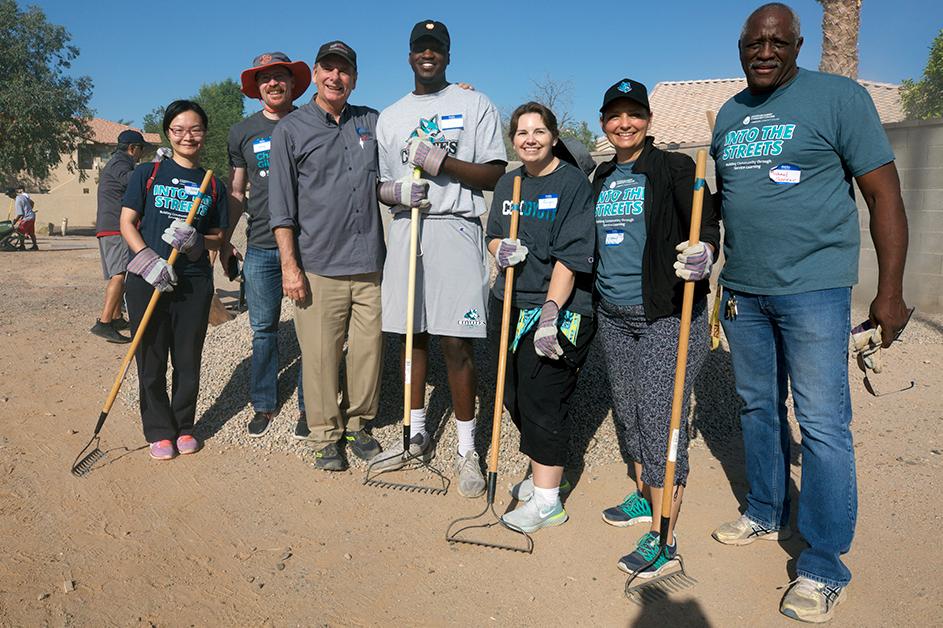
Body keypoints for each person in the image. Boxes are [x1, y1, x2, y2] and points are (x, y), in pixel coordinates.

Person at [710, 4, 909, 622]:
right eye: (753, 43)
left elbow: (884, 194)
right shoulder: (728, 114)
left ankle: (824, 564)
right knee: (758, 407)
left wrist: (890, 291)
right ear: (740, 47)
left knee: (822, 424)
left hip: (816, 290)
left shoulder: (838, 99)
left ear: (797, 44)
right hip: (743, 290)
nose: (764, 52)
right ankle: (766, 510)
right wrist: (699, 249)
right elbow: (731, 202)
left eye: (777, 42)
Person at [588, 79, 719, 576]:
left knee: (661, 413)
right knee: (628, 408)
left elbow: (706, 225)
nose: (625, 124)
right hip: (613, 314)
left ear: (648, 120)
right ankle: (646, 495)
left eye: (634, 115)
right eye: (615, 115)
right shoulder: (601, 177)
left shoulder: (674, 168)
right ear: (604, 123)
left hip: (666, 312)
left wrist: (704, 254)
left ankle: (664, 536)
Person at [371, 20, 507, 498]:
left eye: (436, 49)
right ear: (409, 55)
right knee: (413, 336)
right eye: (420, 49)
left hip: (455, 227)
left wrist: (441, 163)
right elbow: (381, 185)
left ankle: (467, 447)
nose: (428, 55)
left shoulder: (474, 104)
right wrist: (396, 191)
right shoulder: (390, 116)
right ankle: (416, 434)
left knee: (457, 341)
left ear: (448, 55)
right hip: (409, 229)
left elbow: (494, 174)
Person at [268, 40, 385, 471]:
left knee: (368, 355)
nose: (337, 77)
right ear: (315, 75)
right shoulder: (292, 130)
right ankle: (324, 434)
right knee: (320, 357)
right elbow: (281, 210)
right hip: (318, 267)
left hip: (370, 264)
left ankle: (358, 424)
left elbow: (417, 130)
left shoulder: (371, 121)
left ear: (354, 78)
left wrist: (455, 94)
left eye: (345, 70)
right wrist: (290, 268)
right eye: (328, 69)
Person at [484, 102, 595, 531]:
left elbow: (570, 256)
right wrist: (499, 251)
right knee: (510, 393)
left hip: (558, 307)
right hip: (508, 301)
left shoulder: (571, 185)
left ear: (554, 136)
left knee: (542, 396)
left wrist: (550, 312)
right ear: (513, 139)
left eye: (539, 131)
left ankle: (549, 501)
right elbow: (493, 234)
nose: (530, 139)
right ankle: (544, 473)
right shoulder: (509, 182)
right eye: (522, 132)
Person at [120, 100, 229, 460]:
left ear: (204, 134)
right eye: (179, 129)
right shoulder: (147, 174)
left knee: (187, 359)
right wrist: (147, 258)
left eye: (195, 129)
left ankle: (184, 426)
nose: (187, 136)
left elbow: (219, 237)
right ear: (168, 133)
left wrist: (199, 242)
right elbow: (127, 222)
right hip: (149, 278)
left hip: (193, 282)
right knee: (150, 360)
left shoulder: (213, 184)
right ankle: (159, 430)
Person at [223, 52, 311, 439]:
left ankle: (313, 407)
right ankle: (264, 403)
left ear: (293, 84)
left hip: (308, 245)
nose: (274, 84)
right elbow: (237, 191)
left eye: (281, 77)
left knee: (312, 332)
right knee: (263, 329)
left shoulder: (310, 121)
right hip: (259, 245)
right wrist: (224, 240)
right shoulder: (241, 131)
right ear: (256, 88)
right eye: (266, 79)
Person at [91, 129, 149, 343]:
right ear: (132, 148)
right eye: (141, 150)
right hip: (116, 226)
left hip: (109, 225)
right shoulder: (120, 162)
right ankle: (104, 323)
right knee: (119, 273)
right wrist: (152, 168)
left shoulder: (117, 162)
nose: (141, 155)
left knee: (119, 273)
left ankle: (115, 317)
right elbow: (131, 180)